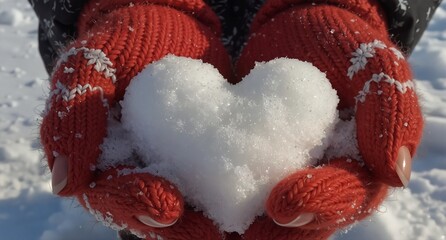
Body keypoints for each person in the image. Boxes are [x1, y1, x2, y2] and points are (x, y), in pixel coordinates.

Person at [29, 0, 441, 239]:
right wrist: (121, 8)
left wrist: (346, 8)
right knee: (150, 214)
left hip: (314, 123)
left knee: (305, 214)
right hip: (145, 113)